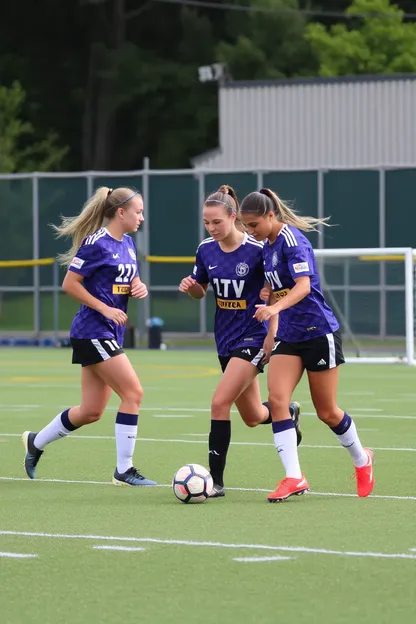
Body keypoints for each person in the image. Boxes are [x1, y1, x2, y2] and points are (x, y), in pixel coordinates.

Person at [240, 188, 374, 502]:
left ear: (271, 216)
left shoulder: (292, 240)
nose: (250, 232)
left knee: (327, 411)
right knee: (277, 400)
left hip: (318, 333)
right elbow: (276, 291)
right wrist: (273, 328)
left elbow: (302, 287)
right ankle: (294, 477)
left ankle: (361, 459)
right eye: (246, 226)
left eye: (254, 225)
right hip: (289, 335)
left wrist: (274, 309)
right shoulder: (266, 247)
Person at [22, 186, 157, 487]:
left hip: (108, 332)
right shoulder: (96, 243)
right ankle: (124, 470)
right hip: (92, 331)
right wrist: (105, 309)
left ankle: (35, 442)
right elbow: (70, 284)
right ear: (120, 212)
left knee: (91, 411)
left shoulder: (130, 244)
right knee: (133, 393)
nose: (142, 217)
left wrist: (139, 286)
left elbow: (130, 277)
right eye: (138, 212)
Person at [178, 185, 302, 498]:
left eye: (217, 222)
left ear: (234, 217)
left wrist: (273, 330)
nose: (211, 228)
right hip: (225, 338)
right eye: (207, 223)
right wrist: (191, 286)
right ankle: (287, 412)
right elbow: (201, 291)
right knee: (252, 417)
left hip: (254, 336)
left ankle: (214, 482)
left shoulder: (257, 249)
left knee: (219, 402)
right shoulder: (206, 249)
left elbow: (280, 288)